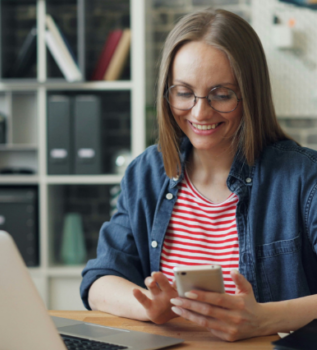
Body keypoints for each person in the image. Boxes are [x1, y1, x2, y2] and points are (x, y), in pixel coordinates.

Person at [80, 8, 317, 341]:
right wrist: (148, 307)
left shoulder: (303, 178)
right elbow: (99, 280)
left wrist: (264, 319)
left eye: (222, 95)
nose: (200, 112)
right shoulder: (147, 173)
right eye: (183, 92)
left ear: (250, 94)